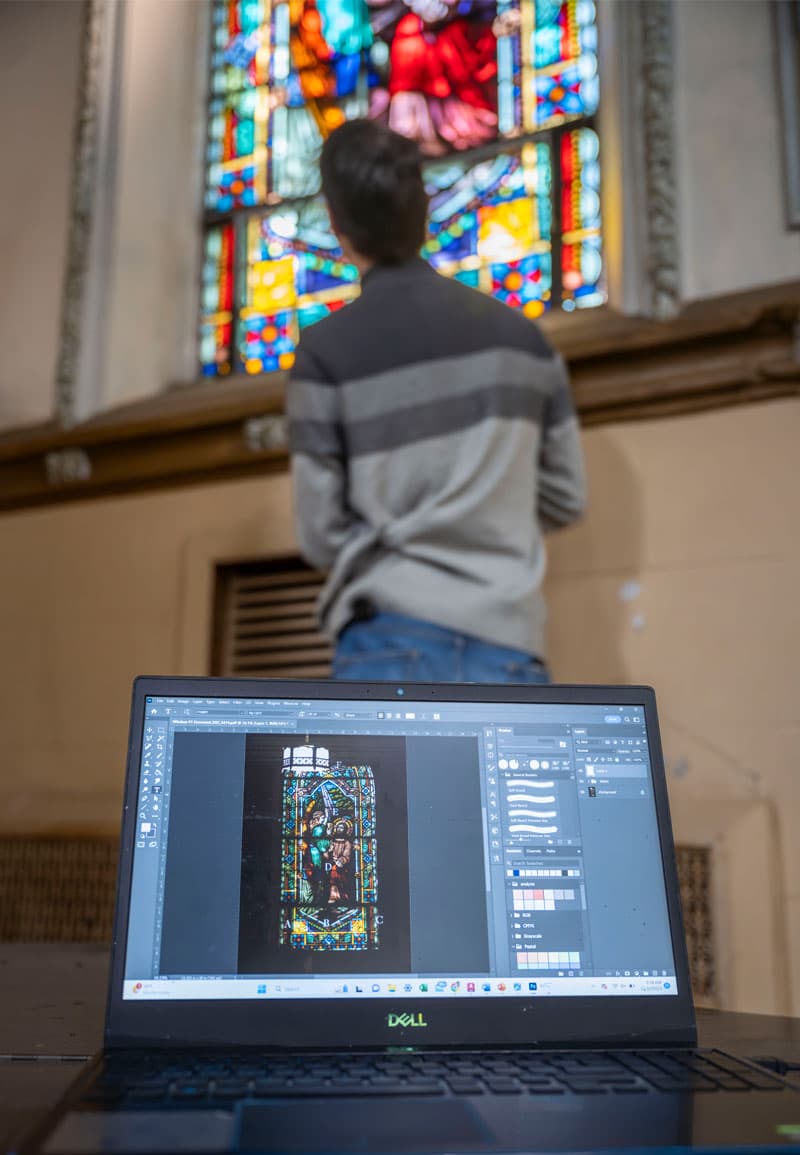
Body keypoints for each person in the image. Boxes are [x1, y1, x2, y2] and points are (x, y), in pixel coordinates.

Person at [287, 118, 587, 684]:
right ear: (424, 211)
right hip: (510, 643)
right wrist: (485, 519)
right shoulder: (523, 341)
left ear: (335, 221)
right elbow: (566, 497)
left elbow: (319, 533)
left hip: (387, 636)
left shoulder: (326, 351)